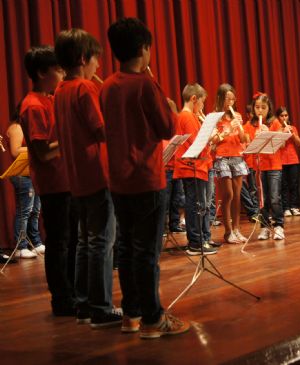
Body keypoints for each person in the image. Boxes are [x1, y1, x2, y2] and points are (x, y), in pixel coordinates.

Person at [101, 17, 188, 339]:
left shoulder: (108, 85)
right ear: (143, 49)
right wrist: (167, 105)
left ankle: (132, 315)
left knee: (125, 248)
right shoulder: (145, 84)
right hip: (147, 178)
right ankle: (154, 319)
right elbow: (168, 128)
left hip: (118, 179)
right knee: (147, 253)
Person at [54, 28, 120, 328]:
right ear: (83, 59)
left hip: (77, 175)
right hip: (97, 173)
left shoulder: (60, 90)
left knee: (84, 241)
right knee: (101, 242)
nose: (99, 67)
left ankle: (82, 305)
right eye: (95, 60)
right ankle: (100, 307)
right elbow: (102, 130)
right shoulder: (84, 89)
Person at [19, 45, 75, 315]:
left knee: (71, 239)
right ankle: (62, 299)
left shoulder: (51, 99)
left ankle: (74, 293)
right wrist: (69, 139)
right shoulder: (32, 105)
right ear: (42, 72)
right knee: (59, 242)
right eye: (58, 69)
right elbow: (42, 152)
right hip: (54, 183)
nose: (62, 73)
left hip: (66, 179)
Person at [173, 84, 218, 255]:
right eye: (202, 102)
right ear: (194, 99)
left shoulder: (188, 116)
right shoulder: (188, 117)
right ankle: (195, 243)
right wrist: (209, 136)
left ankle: (201, 240)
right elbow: (196, 143)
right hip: (191, 167)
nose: (202, 107)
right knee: (195, 205)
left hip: (197, 167)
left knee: (198, 205)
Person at [210, 84, 248, 244]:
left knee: (237, 196)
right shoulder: (214, 116)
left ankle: (237, 229)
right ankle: (228, 231)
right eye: (228, 99)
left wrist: (239, 127)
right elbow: (212, 140)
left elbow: (243, 139)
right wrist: (226, 130)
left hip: (237, 157)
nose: (231, 102)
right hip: (222, 157)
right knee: (228, 195)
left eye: (233, 99)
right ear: (220, 98)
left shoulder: (237, 115)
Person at [6, 104, 44, 258]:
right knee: (25, 212)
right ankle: (21, 246)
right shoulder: (17, 127)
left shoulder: (27, 127)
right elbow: (15, 151)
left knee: (35, 211)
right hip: (22, 175)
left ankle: (35, 242)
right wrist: (37, 148)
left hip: (33, 173)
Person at [251, 93, 285, 240]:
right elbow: (247, 144)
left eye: (263, 108)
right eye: (257, 107)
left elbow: (282, 144)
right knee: (262, 200)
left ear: (268, 108)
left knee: (275, 197)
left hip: (274, 165)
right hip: (259, 167)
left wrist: (268, 133)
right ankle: (264, 227)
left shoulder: (275, 122)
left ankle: (279, 226)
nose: (260, 111)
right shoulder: (250, 125)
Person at [277, 107, 300, 217]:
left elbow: (299, 143)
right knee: (284, 185)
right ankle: (286, 208)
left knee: (294, 184)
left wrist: (293, 134)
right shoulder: (277, 129)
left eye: (286, 115)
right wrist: (283, 134)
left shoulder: (293, 128)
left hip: (293, 159)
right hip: (281, 160)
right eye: (282, 116)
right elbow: (280, 145)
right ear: (278, 117)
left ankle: (294, 206)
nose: (284, 118)